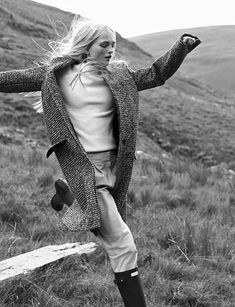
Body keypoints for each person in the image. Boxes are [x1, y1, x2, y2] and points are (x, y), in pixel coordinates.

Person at [0, 16, 201, 307]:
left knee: (105, 225)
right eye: (103, 44)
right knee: (121, 242)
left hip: (115, 168)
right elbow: (11, 80)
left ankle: (68, 195)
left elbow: (156, 74)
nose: (110, 50)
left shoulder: (119, 75)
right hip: (85, 169)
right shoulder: (57, 74)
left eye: (114, 44)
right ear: (86, 46)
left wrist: (180, 47)